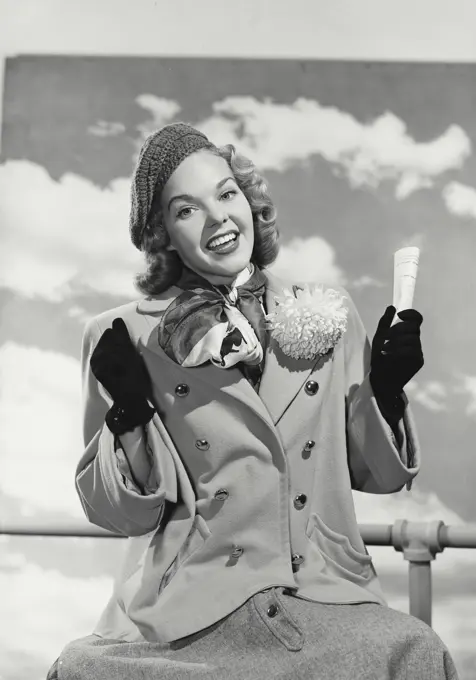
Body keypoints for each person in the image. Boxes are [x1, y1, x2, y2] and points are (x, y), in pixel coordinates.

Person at [47, 123, 458, 679]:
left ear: (248, 200)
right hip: (188, 610)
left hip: (320, 590)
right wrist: (128, 418)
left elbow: (377, 475)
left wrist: (385, 388)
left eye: (226, 193)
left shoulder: (328, 313)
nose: (217, 218)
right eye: (186, 209)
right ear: (163, 233)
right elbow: (119, 515)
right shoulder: (121, 335)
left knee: (417, 652)